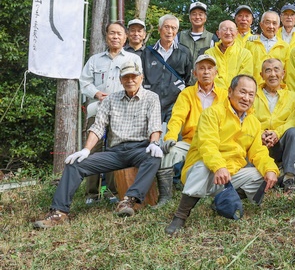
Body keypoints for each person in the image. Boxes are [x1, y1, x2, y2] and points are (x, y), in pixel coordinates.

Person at [34, 61, 162, 228]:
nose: (130, 80)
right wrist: (86, 150)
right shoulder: (111, 100)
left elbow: (155, 125)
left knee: (153, 158)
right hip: (115, 152)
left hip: (140, 148)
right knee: (75, 164)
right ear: (120, 79)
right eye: (126, 77)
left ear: (141, 78)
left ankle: (129, 200)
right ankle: (58, 212)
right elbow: (98, 126)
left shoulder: (152, 97)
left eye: (134, 76)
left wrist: (154, 143)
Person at [165, 75, 279, 234]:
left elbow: (259, 152)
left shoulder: (253, 122)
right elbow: (208, 145)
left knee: (261, 175)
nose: (246, 98)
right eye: (242, 92)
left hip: (230, 174)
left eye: (251, 94)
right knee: (204, 166)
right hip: (203, 171)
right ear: (230, 92)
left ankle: (221, 200)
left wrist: (271, 170)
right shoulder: (212, 113)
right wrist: (219, 166)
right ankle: (180, 216)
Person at [79, 22, 142, 204]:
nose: (115, 37)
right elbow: (84, 82)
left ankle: (113, 192)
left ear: (125, 37)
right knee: (93, 150)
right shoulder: (95, 60)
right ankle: (91, 193)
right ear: (106, 36)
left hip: (123, 112)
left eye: (119, 34)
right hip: (97, 111)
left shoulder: (133, 59)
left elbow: (138, 85)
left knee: (116, 151)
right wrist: (96, 93)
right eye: (112, 33)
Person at [155, 54, 224, 206]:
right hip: (191, 143)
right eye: (201, 69)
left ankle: (216, 192)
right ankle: (165, 196)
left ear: (216, 72)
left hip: (216, 144)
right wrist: (171, 137)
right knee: (166, 153)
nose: (206, 72)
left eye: (209, 68)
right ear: (194, 73)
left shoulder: (225, 95)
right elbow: (177, 118)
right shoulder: (186, 93)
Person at [252, 58, 295, 192]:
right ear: (261, 75)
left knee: (294, 132)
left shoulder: (293, 96)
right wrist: (261, 133)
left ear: (283, 73)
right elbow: (249, 118)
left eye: (276, 70)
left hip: (281, 142)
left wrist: (277, 133)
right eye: (268, 71)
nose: (272, 74)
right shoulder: (253, 95)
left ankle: (289, 178)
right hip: (258, 142)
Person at [142, 14, 192, 125]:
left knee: (172, 136)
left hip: (175, 102)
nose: (170, 31)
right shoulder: (148, 52)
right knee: (151, 136)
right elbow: (142, 76)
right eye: (166, 27)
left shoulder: (184, 52)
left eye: (173, 28)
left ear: (177, 31)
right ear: (159, 29)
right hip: (151, 101)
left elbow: (188, 78)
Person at [244, 11, 290, 85]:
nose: (271, 26)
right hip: (254, 89)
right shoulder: (250, 43)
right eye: (267, 22)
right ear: (261, 25)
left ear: (278, 27)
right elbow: (245, 70)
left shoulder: (285, 46)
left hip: (277, 91)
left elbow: (288, 74)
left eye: (274, 23)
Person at [204, 20, 253, 90]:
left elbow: (245, 78)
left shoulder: (245, 54)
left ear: (236, 33)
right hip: (215, 95)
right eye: (224, 29)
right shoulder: (209, 54)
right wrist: (224, 93)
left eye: (231, 30)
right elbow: (209, 76)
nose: (228, 33)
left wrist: (232, 93)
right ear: (218, 34)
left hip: (236, 95)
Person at [177, 2, 217, 83]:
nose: (197, 17)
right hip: (182, 83)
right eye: (194, 14)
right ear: (189, 17)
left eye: (200, 14)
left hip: (204, 84)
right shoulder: (179, 36)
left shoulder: (212, 38)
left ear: (205, 18)